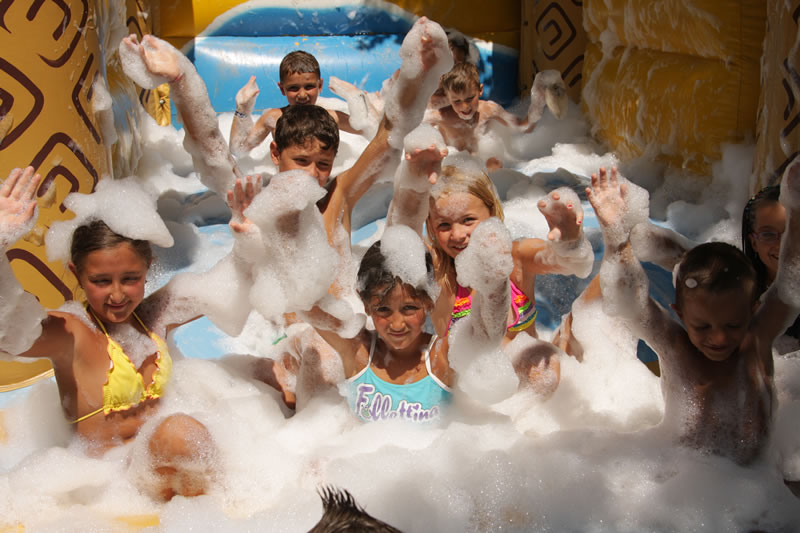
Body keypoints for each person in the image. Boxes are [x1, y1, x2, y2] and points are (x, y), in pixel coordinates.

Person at [0, 167, 218, 501]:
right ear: (77, 273)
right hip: (108, 489)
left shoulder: (155, 316)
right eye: (100, 281)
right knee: (179, 432)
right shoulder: (73, 334)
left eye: (130, 279)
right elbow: (9, 333)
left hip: (165, 483)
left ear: (148, 268)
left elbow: (234, 284)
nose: (117, 295)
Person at [586, 164, 800, 465]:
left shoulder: (756, 340)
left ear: (753, 310)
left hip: (754, 482)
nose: (719, 337)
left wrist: (796, 208)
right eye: (702, 326)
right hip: (685, 478)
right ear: (679, 314)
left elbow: (789, 288)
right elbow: (632, 303)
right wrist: (616, 238)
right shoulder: (676, 347)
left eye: (733, 325)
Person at [387, 130, 594, 395]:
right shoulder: (439, 272)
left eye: (468, 220)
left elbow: (561, 261)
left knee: (596, 302)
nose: (457, 234)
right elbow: (400, 242)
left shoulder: (516, 257)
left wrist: (570, 242)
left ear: (492, 214)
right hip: (474, 396)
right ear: (431, 226)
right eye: (444, 225)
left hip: (529, 387)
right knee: (542, 370)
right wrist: (411, 183)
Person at [424, 62, 569, 170]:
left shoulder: (489, 110)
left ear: (480, 90)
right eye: (457, 101)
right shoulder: (442, 116)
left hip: (479, 168)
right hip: (452, 167)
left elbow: (523, 127)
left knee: (495, 164)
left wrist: (538, 103)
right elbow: (412, 126)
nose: (465, 106)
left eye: (470, 98)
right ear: (448, 98)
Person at [229, 50, 366, 159]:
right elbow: (239, 150)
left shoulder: (330, 117)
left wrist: (357, 98)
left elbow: (368, 129)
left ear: (320, 85)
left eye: (309, 86)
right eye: (293, 88)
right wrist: (242, 109)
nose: (302, 95)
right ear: (282, 89)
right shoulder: (274, 118)